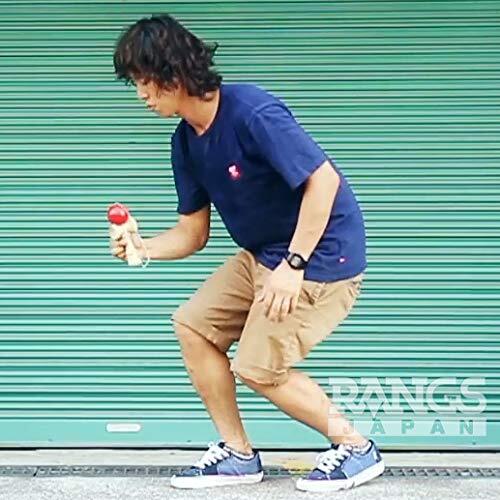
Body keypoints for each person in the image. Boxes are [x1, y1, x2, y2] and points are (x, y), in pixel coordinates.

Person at [111, 14, 385, 492]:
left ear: (172, 74)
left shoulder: (252, 112)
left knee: (257, 367)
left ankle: (357, 448)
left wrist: (294, 265)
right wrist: (142, 247)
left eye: (143, 81)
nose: (141, 96)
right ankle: (238, 455)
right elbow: (192, 233)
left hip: (322, 255)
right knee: (193, 326)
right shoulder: (185, 142)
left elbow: (323, 182)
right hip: (264, 255)